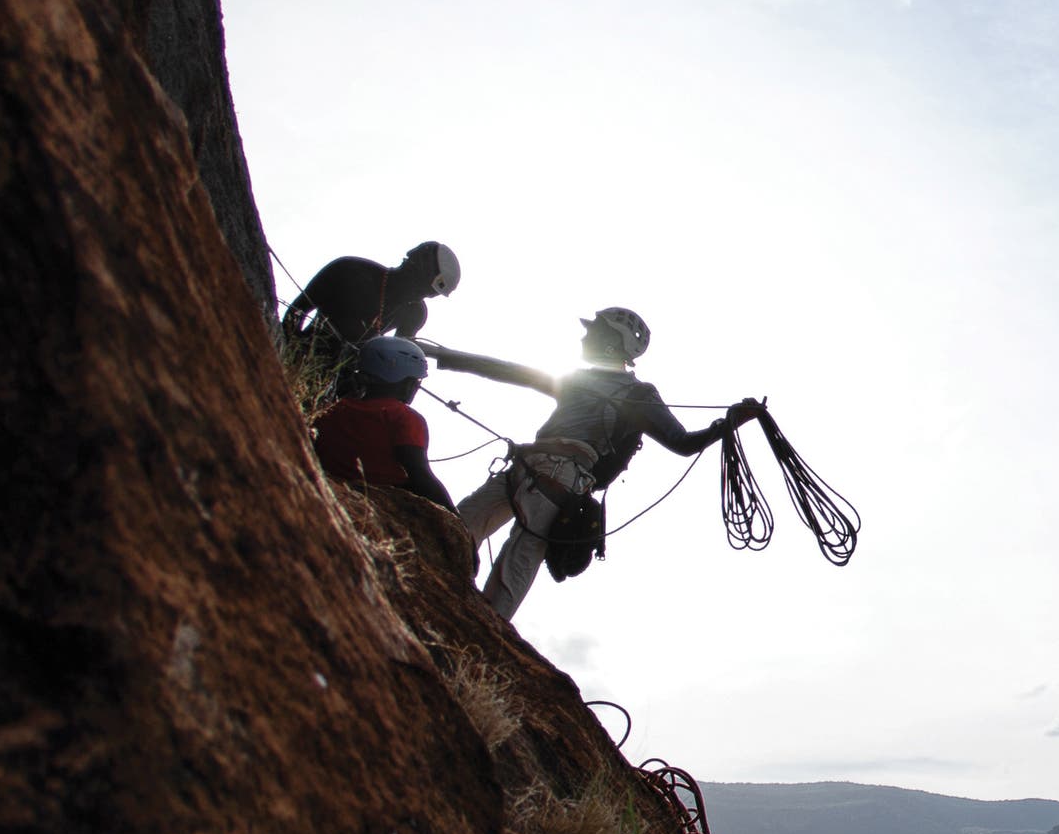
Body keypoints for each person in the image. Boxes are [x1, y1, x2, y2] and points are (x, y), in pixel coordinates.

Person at [427, 306, 760, 621]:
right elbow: (511, 371)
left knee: (505, 568)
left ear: (614, 342)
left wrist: (728, 424)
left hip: (557, 479)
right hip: (535, 471)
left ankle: (476, 640)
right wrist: (442, 356)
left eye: (595, 332)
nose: (584, 338)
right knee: (456, 531)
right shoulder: (580, 380)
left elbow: (682, 443)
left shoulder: (635, 393)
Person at [280, 242, 461, 387]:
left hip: (340, 381)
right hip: (298, 359)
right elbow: (296, 312)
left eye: (430, 294)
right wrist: (288, 356)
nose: (424, 296)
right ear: (413, 268)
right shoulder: (349, 271)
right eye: (425, 289)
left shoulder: (413, 313)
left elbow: (399, 365)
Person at [309, 335, 456, 510]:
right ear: (407, 383)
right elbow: (420, 476)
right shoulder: (404, 418)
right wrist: (457, 519)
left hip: (327, 484)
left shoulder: (333, 408)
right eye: (416, 381)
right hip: (380, 500)